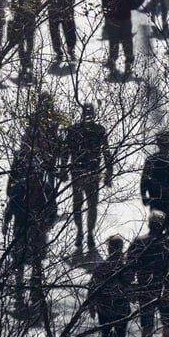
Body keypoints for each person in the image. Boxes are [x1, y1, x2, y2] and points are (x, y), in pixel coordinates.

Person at [4, 146, 58, 320]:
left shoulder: (45, 188)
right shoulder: (22, 187)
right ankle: (20, 287)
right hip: (22, 227)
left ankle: (35, 286)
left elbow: (53, 209)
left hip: (36, 229)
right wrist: (6, 222)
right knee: (20, 259)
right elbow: (11, 206)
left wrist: (48, 223)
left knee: (36, 260)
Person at [63, 103, 114, 256]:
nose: (88, 115)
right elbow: (66, 150)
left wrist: (108, 173)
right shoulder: (74, 130)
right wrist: (63, 168)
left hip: (90, 172)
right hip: (81, 172)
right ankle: (81, 231)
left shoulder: (97, 130)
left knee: (90, 206)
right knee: (79, 205)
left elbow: (106, 152)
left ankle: (88, 233)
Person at [86, 235, 132, 337]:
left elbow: (92, 288)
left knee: (105, 335)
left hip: (104, 309)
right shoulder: (126, 268)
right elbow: (132, 287)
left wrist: (91, 306)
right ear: (121, 248)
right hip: (121, 308)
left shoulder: (100, 268)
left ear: (108, 248)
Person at [101, 0, 137, 77]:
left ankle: (112, 61)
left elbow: (105, 0)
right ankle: (128, 63)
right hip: (126, 15)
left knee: (114, 40)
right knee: (127, 39)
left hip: (113, 16)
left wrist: (106, 13)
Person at [7, 0, 41, 83]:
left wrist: (32, 11)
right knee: (20, 43)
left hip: (30, 20)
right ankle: (23, 61)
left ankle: (28, 58)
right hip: (19, 20)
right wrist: (17, 11)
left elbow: (38, 5)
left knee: (30, 42)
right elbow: (12, 5)